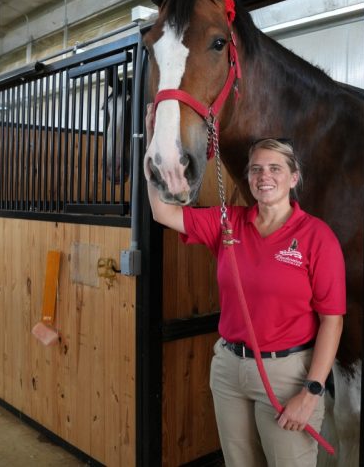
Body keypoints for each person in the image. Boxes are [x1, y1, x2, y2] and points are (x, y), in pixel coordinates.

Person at [145, 105, 345, 466]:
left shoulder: (317, 237)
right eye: (256, 169)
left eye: (274, 169)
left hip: (286, 373)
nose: (263, 176)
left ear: (293, 177)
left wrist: (311, 392)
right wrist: (152, 143)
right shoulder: (229, 222)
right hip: (228, 368)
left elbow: (332, 319)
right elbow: (163, 212)